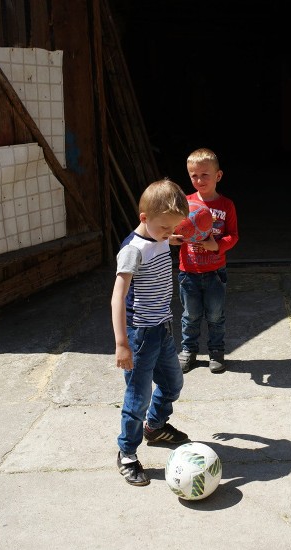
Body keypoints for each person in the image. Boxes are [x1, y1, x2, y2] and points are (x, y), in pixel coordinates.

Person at [111, 179, 192, 486]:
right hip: (139, 335)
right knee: (137, 398)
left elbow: (159, 240)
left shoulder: (159, 236)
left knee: (173, 383)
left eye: (173, 229)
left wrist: (168, 239)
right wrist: (122, 344)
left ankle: (155, 427)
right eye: (165, 229)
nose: (170, 234)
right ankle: (127, 453)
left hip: (162, 328)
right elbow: (118, 296)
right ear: (144, 218)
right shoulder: (132, 250)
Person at [175, 148, 239, 374]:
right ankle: (188, 351)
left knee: (215, 315)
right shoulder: (184, 203)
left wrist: (218, 246)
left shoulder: (226, 205)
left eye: (205, 174)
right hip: (188, 271)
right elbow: (171, 229)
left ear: (218, 176)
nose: (199, 180)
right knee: (189, 316)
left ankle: (216, 352)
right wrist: (171, 239)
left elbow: (233, 235)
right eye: (194, 175)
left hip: (215, 271)